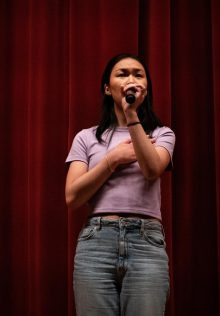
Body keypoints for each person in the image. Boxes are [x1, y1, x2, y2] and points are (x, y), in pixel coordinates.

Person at [65, 53, 175, 316]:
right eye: (122, 73)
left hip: (146, 241)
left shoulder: (161, 134)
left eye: (138, 74)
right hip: (96, 242)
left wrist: (131, 115)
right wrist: (111, 161)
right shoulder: (87, 137)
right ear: (107, 87)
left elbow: (151, 170)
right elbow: (72, 197)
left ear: (145, 89)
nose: (130, 79)